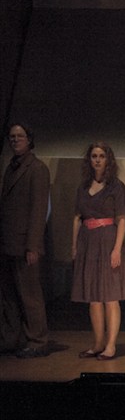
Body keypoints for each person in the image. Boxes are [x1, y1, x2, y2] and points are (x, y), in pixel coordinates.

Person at [71, 142, 125, 360]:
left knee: (110, 296)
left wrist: (116, 249)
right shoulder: (83, 187)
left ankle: (110, 345)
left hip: (108, 241)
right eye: (94, 156)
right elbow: (77, 218)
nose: (97, 160)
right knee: (93, 296)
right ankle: (97, 343)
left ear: (108, 160)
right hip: (88, 242)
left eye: (101, 156)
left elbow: (122, 219)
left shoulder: (116, 186)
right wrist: (74, 246)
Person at [0, 122, 51, 358]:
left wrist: (33, 246)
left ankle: (37, 340)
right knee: (9, 295)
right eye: (12, 136)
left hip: (24, 244)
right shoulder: (11, 167)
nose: (15, 140)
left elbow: (39, 210)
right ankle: (11, 338)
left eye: (20, 136)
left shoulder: (37, 169)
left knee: (30, 295)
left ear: (29, 140)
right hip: (7, 242)